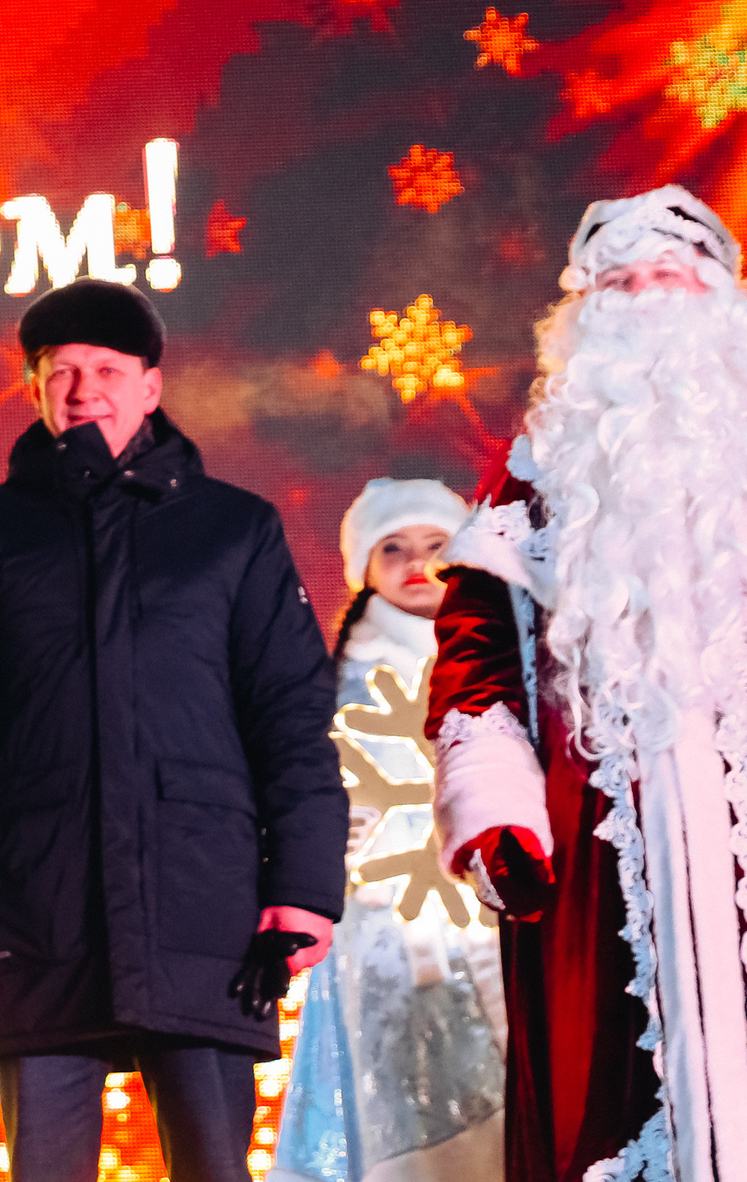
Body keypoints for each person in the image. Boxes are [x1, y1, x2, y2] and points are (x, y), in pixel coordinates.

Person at [425, 185, 747, 1182]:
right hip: (609, 862)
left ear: (722, 299)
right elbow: (475, 652)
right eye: (619, 285)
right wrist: (496, 810)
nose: (647, 300)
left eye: (668, 277)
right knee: (622, 1094)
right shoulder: (540, 466)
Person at [0, 277, 346, 1182]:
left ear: (150, 385)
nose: (83, 386)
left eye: (105, 367)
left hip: (203, 908)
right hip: (35, 908)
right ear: (35, 389)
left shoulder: (233, 532)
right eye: (61, 370)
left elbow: (291, 715)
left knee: (214, 1166)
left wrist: (303, 883)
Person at [275, 479, 506, 1182]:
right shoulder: (333, 678)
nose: (416, 564)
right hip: (380, 930)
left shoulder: (502, 660)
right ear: (365, 567)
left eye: (436, 546)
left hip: (492, 912)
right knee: (396, 1090)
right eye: (394, 548)